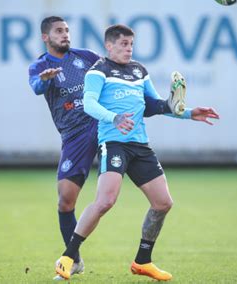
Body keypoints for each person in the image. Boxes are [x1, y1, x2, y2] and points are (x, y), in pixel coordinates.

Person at [54, 24, 219, 281]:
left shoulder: (139, 71)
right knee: (106, 201)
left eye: (131, 44)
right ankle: (68, 256)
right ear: (109, 46)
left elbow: (153, 105)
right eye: (123, 44)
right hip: (114, 144)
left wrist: (186, 112)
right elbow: (89, 104)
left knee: (163, 203)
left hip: (140, 145)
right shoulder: (98, 71)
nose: (129, 49)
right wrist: (114, 117)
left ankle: (143, 261)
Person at [28, 17, 185, 278]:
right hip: (75, 134)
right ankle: (73, 259)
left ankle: (139, 260)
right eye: (59, 31)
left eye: (67, 30)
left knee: (144, 200)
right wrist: (45, 81)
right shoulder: (40, 66)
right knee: (66, 200)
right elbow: (36, 87)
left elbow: (116, 74)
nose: (65, 34)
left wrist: (183, 110)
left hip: (105, 126)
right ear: (46, 37)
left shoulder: (88, 57)